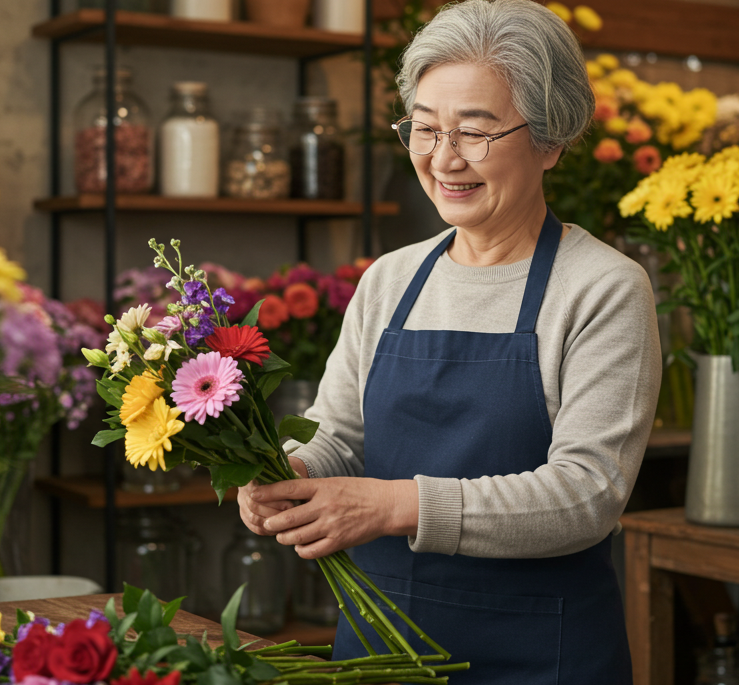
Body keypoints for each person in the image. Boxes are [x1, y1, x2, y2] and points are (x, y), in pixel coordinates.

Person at [239, 0, 661, 681]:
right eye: (425, 129)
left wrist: (393, 504)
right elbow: (338, 434)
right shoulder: (390, 279)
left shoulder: (603, 288)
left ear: (550, 140)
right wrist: (289, 473)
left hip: (542, 654)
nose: (443, 159)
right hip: (382, 649)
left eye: (474, 131)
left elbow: (587, 493)